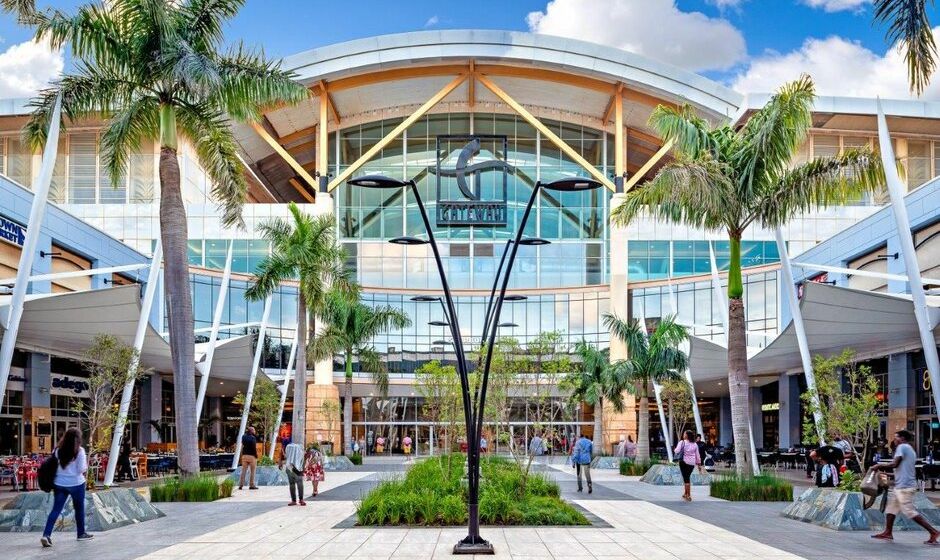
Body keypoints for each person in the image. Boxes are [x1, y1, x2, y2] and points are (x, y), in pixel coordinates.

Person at [871, 430, 940, 545]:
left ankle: (933, 531)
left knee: (909, 511)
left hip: (905, 487)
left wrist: (878, 465)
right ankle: (888, 532)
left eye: (896, 437)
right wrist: (887, 474)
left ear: (902, 438)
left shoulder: (902, 447)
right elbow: (902, 470)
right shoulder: (910, 450)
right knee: (891, 509)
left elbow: (895, 464)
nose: (894, 439)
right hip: (901, 486)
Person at [41, 427, 93, 547]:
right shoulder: (79, 451)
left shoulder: (57, 450)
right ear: (78, 439)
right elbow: (81, 469)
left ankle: (46, 535)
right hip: (77, 484)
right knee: (79, 509)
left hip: (59, 484)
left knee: (56, 510)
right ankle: (81, 534)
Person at [674, 430, 701, 501]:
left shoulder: (682, 442)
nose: (683, 434)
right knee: (687, 477)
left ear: (686, 435)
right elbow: (697, 456)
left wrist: (676, 448)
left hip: (683, 462)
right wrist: (699, 464)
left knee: (686, 478)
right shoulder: (695, 444)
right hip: (692, 463)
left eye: (684, 434)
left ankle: (688, 495)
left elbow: (676, 451)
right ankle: (685, 493)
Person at [283, 441, 306, 506]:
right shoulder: (299, 450)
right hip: (297, 467)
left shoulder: (289, 447)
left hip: (290, 467)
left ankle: (294, 500)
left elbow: (286, 455)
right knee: (299, 484)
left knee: (292, 484)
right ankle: (300, 500)